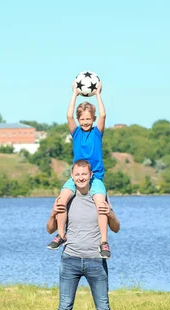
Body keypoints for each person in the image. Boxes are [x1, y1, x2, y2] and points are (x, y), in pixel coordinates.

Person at [46, 159, 120, 310]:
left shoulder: (99, 196)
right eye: (77, 174)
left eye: (84, 174)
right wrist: (53, 213)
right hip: (70, 260)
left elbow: (116, 227)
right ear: (72, 176)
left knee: (103, 309)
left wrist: (110, 213)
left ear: (90, 176)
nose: (80, 178)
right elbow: (49, 228)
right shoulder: (66, 198)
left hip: (96, 260)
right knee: (64, 308)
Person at [47, 79, 111, 259]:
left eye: (88, 119)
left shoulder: (97, 132)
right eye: (82, 119)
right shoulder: (75, 133)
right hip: (77, 176)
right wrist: (74, 94)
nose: (85, 122)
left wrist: (98, 93)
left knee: (101, 205)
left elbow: (104, 115)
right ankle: (61, 234)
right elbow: (68, 116)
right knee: (61, 200)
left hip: (95, 177)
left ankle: (104, 242)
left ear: (93, 119)